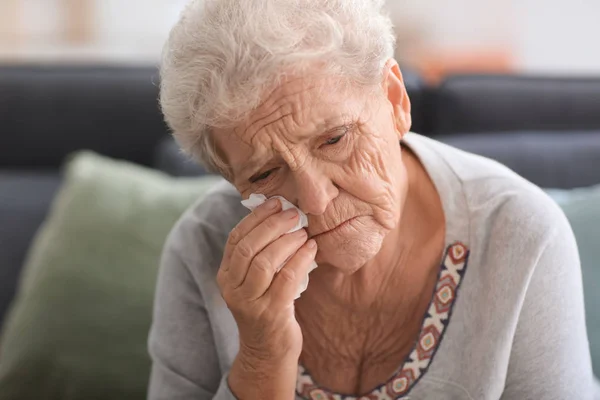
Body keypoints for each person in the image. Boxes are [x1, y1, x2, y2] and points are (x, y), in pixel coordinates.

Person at [148, 1, 598, 399]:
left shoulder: (521, 233)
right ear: (233, 181)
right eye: (265, 173)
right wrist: (263, 358)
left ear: (395, 99)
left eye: (335, 139)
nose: (317, 201)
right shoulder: (201, 249)